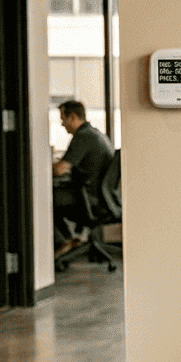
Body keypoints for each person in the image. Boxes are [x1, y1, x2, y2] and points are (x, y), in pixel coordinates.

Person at [52, 100, 114, 257]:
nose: (62, 124)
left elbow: (60, 170)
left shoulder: (83, 136)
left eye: (63, 119)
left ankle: (65, 241)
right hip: (104, 198)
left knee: (45, 199)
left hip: (91, 199)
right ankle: (73, 238)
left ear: (72, 117)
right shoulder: (95, 133)